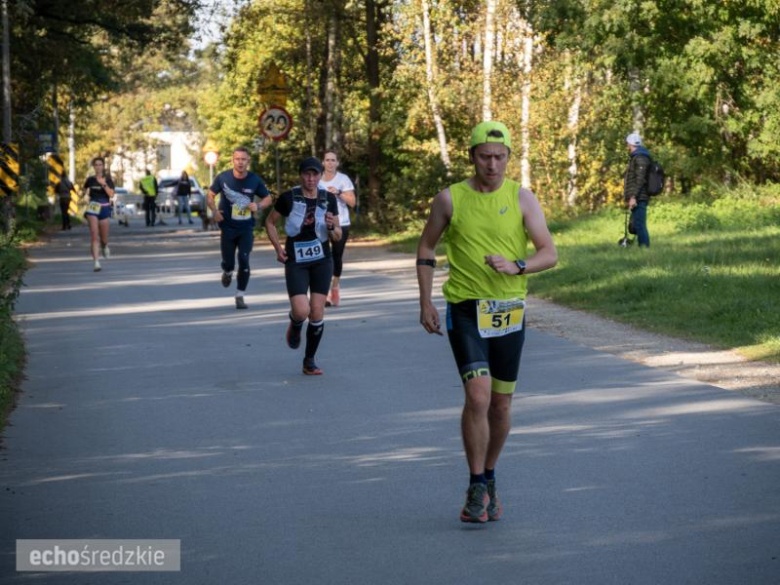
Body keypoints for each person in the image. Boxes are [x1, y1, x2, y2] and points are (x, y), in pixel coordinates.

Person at [417, 121, 557, 523]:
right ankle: (476, 483)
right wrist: (425, 301)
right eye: (484, 156)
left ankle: (490, 475)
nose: (492, 165)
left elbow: (549, 253)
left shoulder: (522, 198)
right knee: (477, 396)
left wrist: (518, 266)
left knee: (500, 403)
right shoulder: (449, 199)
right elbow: (426, 246)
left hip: (509, 310)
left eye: (499, 157)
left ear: (509, 158)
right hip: (464, 307)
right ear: (472, 156)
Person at [265, 157, 341, 376]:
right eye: (307, 174)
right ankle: (296, 323)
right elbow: (270, 222)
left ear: (320, 175)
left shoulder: (328, 199)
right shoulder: (289, 198)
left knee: (317, 313)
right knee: (302, 310)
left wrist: (331, 226)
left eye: (315, 174)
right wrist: (278, 249)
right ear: (301, 175)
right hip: (296, 261)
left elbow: (337, 235)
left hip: (322, 260)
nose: (311, 179)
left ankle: (309, 361)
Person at [207, 147, 272, 309]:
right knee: (229, 262)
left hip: (246, 228)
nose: (240, 162)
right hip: (228, 227)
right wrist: (214, 211)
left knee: (244, 259)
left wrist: (258, 205)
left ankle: (240, 295)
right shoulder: (223, 178)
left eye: (244, 159)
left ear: (248, 161)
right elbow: (210, 195)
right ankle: (228, 272)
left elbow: (268, 198)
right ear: (232, 160)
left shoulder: (254, 179)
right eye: (238, 159)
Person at [319, 151, 356, 307]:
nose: (330, 163)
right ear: (323, 162)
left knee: (336, 256)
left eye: (333, 160)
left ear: (337, 163)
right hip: (320, 224)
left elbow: (352, 202)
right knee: (323, 257)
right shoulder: (317, 180)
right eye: (327, 160)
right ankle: (325, 293)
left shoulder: (343, 179)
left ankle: (335, 287)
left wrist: (339, 193)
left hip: (341, 222)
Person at [83, 157, 116, 272]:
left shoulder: (108, 179)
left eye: (100, 164)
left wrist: (104, 184)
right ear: (94, 166)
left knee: (104, 238)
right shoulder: (90, 180)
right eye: (96, 164)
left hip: (105, 207)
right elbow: (85, 190)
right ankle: (96, 262)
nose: (98, 167)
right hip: (93, 207)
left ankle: (105, 245)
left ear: (103, 166)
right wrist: (85, 197)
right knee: (94, 235)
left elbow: (111, 194)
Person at [624, 132, 651, 248]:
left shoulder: (640, 158)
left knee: (639, 224)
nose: (627, 146)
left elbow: (640, 180)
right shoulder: (637, 157)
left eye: (628, 144)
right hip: (637, 196)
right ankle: (642, 247)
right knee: (636, 224)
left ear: (630, 144)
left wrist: (633, 197)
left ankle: (644, 248)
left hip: (639, 196)